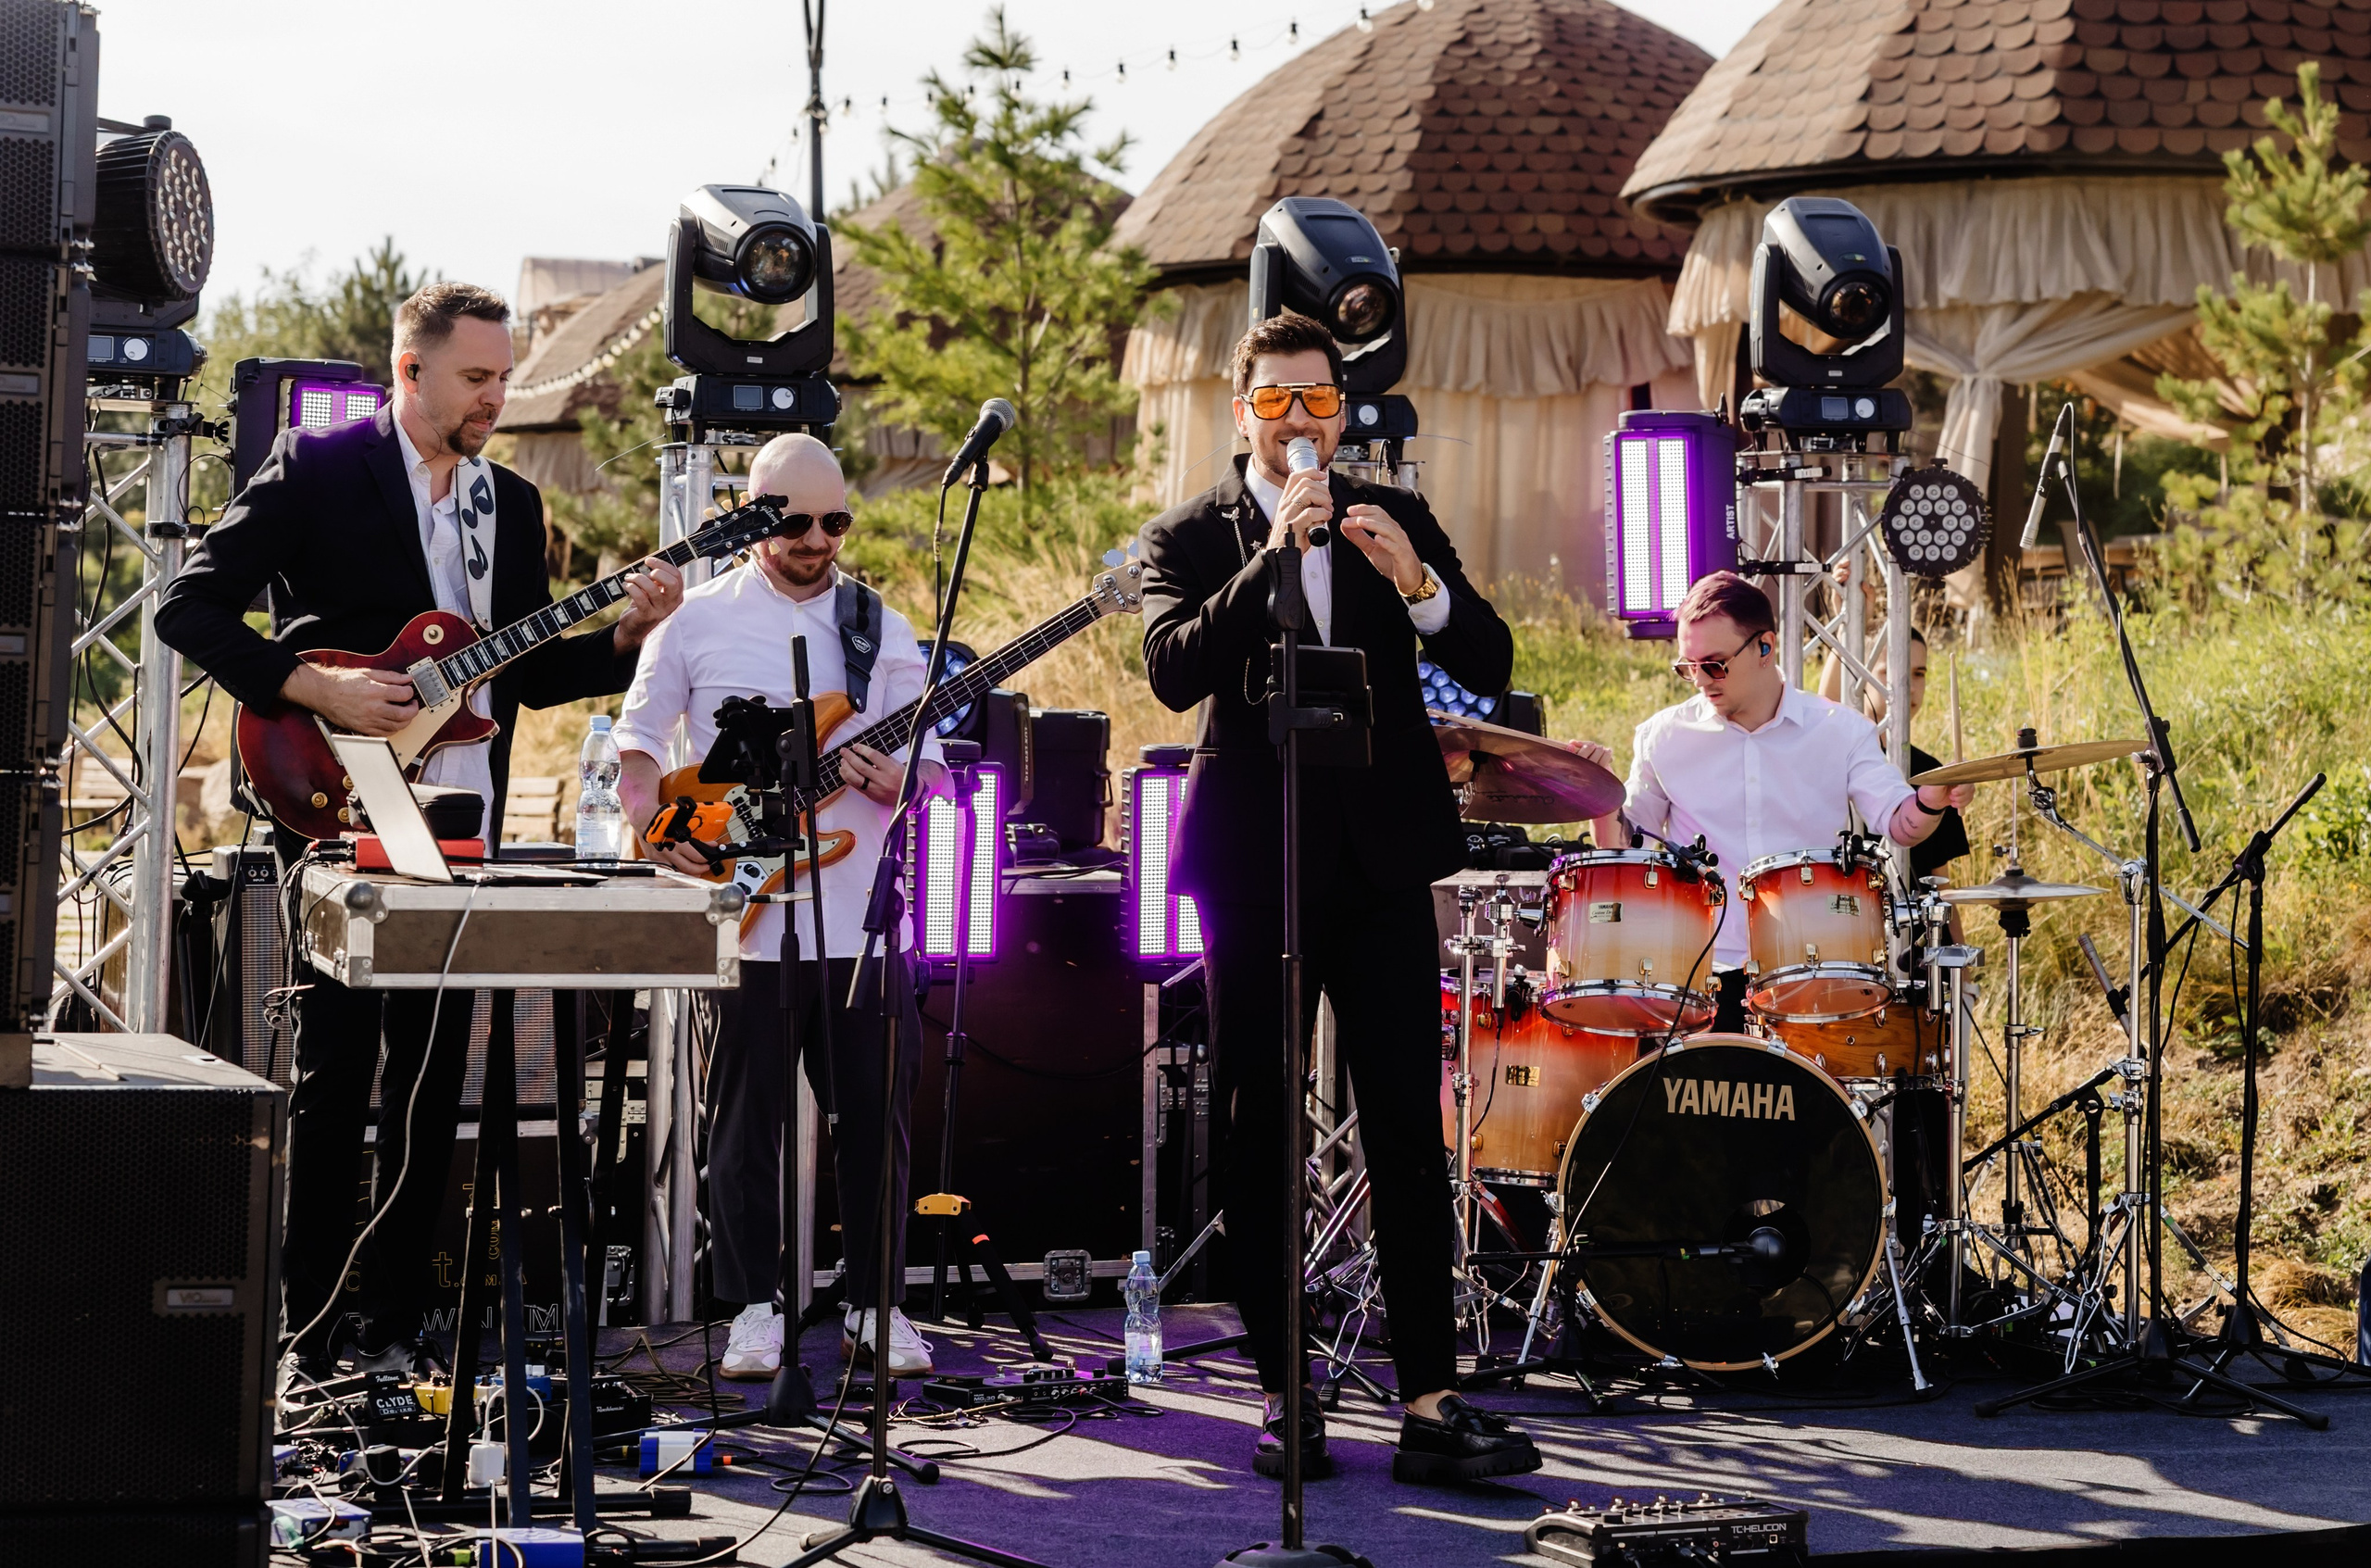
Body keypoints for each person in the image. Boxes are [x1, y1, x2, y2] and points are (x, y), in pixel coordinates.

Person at [155, 282, 684, 1381]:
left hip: (460, 819)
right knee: (336, 1072)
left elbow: (524, 675)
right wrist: (322, 688)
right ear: (411, 371)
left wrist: (627, 639)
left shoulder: (511, 503)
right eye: (476, 378)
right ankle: (309, 1332)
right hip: (334, 792)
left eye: (504, 378)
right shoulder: (317, 468)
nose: (496, 398)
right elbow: (186, 607)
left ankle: (397, 1328)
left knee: (434, 1082)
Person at [1137, 310, 1540, 1485]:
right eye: (1276, 401)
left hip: (1378, 860)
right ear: (1241, 412)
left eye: (1317, 399)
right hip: (1253, 862)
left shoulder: (1392, 513)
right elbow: (1170, 671)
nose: (1299, 420)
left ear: (1343, 409)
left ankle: (1430, 1402)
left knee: (1408, 1127)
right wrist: (1272, 555)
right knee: (1258, 1126)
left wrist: (1415, 583)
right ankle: (1285, 1394)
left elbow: (1489, 658)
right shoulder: (1189, 533)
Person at [618, 433, 944, 1381]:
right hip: (745, 912)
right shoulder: (695, 619)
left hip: (861, 919)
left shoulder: (879, 625)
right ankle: (754, 1308)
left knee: (875, 1123)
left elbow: (931, 766)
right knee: (742, 1125)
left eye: (835, 521)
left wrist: (901, 779)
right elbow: (637, 744)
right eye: (796, 522)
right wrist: (652, 828)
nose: (817, 540)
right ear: (754, 518)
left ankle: (875, 1304)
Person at [1582, 571, 1975, 1033]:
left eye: (1715, 665)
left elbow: (1900, 825)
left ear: (1765, 647)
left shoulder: (1840, 730)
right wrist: (1595, 794)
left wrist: (1930, 801)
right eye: (1688, 667)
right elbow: (1626, 851)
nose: (1701, 681)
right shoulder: (1663, 737)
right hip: (1700, 978)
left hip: (1814, 976)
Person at [1815, 623, 1972, 884]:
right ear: (1863, 676)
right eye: (1892, 672)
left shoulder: (1933, 772)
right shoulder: (1842, 755)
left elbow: (1942, 888)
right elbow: (1824, 709)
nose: (1908, 686)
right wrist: (1845, 626)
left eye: (1919, 674)